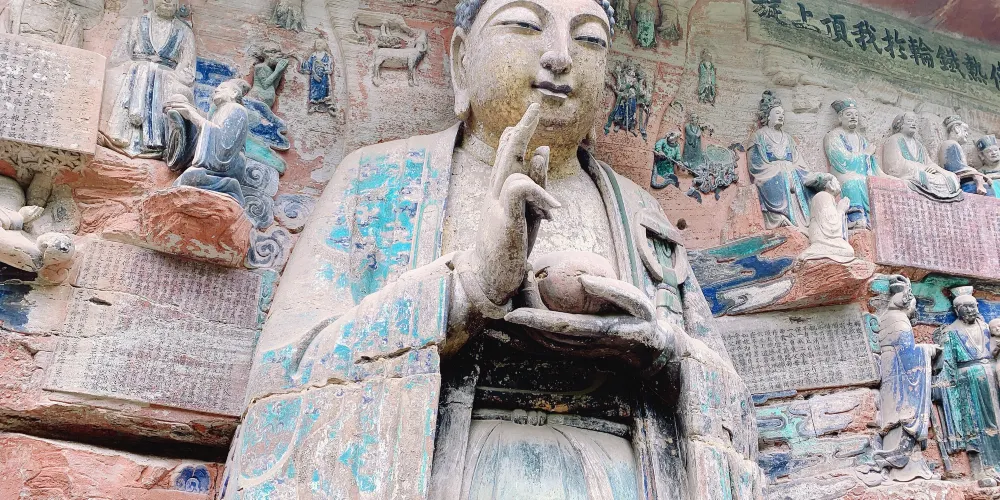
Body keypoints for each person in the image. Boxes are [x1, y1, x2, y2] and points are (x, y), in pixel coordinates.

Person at [220, 0, 762, 498]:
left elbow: (733, 408)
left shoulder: (641, 213)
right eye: (524, 25)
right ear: (461, 59)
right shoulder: (378, 181)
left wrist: (661, 350)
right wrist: (469, 290)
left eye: (589, 39)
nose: (559, 55)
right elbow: (285, 373)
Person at [100, 0, 196, 159]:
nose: (167, 1)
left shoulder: (184, 31)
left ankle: (157, 142)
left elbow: (188, 69)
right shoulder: (136, 23)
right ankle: (120, 134)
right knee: (122, 78)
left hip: (168, 77)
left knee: (175, 91)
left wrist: (162, 73)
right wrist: (139, 68)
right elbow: (118, 57)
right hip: (134, 72)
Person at [870, 276, 935, 481]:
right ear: (907, 302)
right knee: (904, 418)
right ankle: (907, 469)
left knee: (894, 420)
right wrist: (928, 350)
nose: (914, 310)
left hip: (891, 375)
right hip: (900, 380)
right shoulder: (899, 320)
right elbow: (908, 355)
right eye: (914, 304)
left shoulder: (887, 317)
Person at [933, 287, 1000, 485]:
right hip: (968, 383)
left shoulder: (988, 327)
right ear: (957, 310)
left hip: (993, 378)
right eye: (966, 307)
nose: (971, 310)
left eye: (973, 306)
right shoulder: (951, 333)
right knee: (976, 426)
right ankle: (982, 470)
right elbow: (947, 364)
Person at [749, 90, 838, 232]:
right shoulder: (759, 136)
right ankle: (778, 216)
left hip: (792, 173)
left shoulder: (788, 138)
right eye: (777, 113)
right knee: (781, 177)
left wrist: (814, 177)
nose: (781, 116)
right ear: (768, 116)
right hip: (771, 174)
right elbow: (755, 164)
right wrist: (780, 170)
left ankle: (802, 221)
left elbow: (799, 163)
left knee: (804, 182)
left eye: (783, 114)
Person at [163, 79, 251, 206]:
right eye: (217, 88)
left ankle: (228, 185)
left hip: (229, 165)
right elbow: (206, 134)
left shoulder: (237, 109)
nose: (216, 90)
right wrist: (185, 118)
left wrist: (192, 115)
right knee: (189, 176)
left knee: (191, 178)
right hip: (214, 164)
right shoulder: (216, 113)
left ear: (234, 93)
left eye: (222, 88)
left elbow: (224, 146)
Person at [823, 98, 880, 229]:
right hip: (843, 174)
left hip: (862, 174)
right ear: (840, 117)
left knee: (875, 183)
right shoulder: (833, 135)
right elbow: (841, 160)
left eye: (856, 115)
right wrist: (865, 154)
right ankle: (855, 217)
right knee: (853, 182)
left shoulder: (862, 139)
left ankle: (874, 219)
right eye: (849, 114)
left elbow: (873, 166)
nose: (853, 117)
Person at [881, 112, 962, 202]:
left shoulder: (919, 145)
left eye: (915, 122)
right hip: (912, 175)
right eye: (910, 121)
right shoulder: (894, 139)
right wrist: (922, 168)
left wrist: (943, 172)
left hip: (925, 175)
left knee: (948, 178)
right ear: (900, 125)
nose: (913, 124)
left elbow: (929, 163)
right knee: (925, 177)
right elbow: (893, 166)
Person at [938, 115, 986, 195]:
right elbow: (954, 167)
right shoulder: (950, 144)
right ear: (957, 128)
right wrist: (974, 172)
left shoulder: (955, 144)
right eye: (965, 130)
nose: (967, 134)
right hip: (959, 182)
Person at [299, 38, 336, 115]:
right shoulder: (313, 55)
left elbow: (330, 66)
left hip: (324, 77)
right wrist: (302, 62)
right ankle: (313, 105)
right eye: (317, 43)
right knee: (314, 91)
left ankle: (329, 106)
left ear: (324, 45)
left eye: (320, 43)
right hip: (314, 78)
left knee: (325, 90)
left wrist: (324, 68)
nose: (318, 44)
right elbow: (309, 65)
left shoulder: (327, 55)